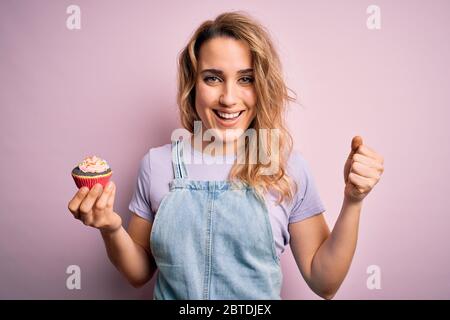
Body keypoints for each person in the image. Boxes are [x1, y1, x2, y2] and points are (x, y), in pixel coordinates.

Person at [67, 11, 384, 300]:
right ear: (193, 85)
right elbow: (138, 273)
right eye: (213, 78)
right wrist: (110, 229)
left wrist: (353, 200)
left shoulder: (288, 167)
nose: (229, 98)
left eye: (245, 79)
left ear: (262, 86)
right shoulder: (157, 164)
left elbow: (324, 282)